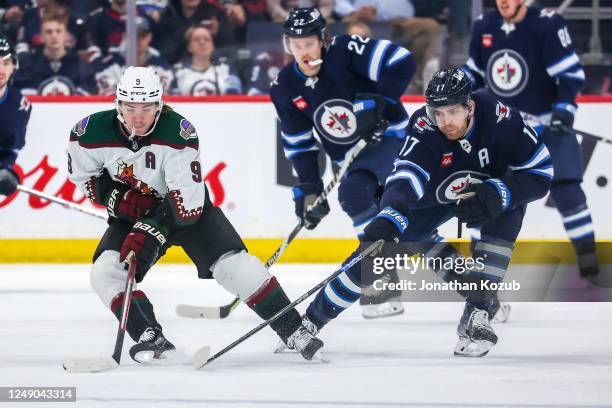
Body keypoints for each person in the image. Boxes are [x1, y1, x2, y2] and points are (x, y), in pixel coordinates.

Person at [66, 66, 324, 363]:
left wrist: (148, 229)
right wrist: (119, 199)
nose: (138, 116)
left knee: (235, 266)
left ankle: (293, 329)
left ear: (159, 105)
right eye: (131, 107)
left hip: (186, 213)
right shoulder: (87, 133)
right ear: (118, 104)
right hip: (134, 218)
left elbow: (186, 207)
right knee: (105, 272)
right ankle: (150, 334)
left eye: (147, 107)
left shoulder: (178, 133)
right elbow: (87, 180)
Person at [300, 68, 553, 357]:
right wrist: (389, 217)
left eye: (453, 112)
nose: (445, 122)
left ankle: (478, 311)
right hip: (434, 197)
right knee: (377, 256)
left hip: (486, 190)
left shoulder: (500, 117)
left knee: (509, 212)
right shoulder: (424, 126)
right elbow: (406, 177)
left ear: (469, 106)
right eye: (438, 113)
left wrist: (501, 193)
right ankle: (311, 321)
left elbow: (541, 172)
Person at [269, 7, 416, 319]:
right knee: (420, 231)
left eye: (309, 43)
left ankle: (383, 281)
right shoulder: (284, 86)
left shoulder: (348, 50)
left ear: (323, 40)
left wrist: (382, 104)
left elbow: (402, 60)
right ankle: (479, 292)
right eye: (295, 45)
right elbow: (300, 144)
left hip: (390, 139)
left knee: (354, 194)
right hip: (352, 158)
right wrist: (309, 188)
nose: (303, 52)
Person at [461, 0, 597, 280]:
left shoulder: (546, 24)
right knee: (485, 192)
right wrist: (453, 85)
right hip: (501, 130)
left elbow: (570, 75)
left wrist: (564, 111)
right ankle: (479, 264)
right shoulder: (484, 25)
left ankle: (589, 259)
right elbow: (473, 73)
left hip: (545, 125)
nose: (504, 2)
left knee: (567, 189)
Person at [14, 12, 95, 95]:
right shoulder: (27, 65)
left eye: (58, 31)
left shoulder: (80, 66)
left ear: (66, 35)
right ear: (41, 36)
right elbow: (18, 95)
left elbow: (90, 97)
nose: (54, 36)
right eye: (49, 32)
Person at [93, 16, 173, 95]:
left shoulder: (161, 65)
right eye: (133, 35)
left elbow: (161, 95)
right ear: (124, 36)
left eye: (142, 35)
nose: (138, 40)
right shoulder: (109, 64)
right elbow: (109, 96)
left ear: (149, 37)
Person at [0, 35, 30, 196]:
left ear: (14, 67)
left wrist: (5, 171)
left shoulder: (20, 105)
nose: (1, 70)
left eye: (6, 63)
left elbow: (10, 149)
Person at [172, 24, 241, 95]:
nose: (202, 42)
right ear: (189, 47)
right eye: (196, 39)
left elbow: (234, 99)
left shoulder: (226, 69)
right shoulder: (179, 73)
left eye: (206, 39)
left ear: (213, 46)